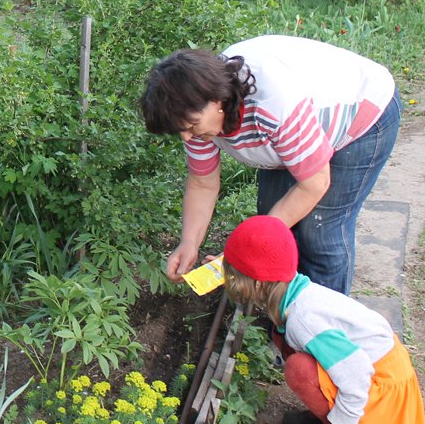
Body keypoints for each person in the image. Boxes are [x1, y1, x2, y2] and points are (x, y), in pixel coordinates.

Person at [140, 35, 403, 294]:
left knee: (318, 232)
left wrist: (247, 249)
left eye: (191, 126)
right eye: (180, 130)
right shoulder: (194, 119)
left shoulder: (273, 105)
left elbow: (314, 183)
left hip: (360, 115)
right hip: (294, 134)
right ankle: (285, 315)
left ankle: (324, 326)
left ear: (217, 101)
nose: (186, 136)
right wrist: (189, 243)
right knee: (272, 220)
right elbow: (202, 183)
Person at [222, 215, 425, 424]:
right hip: (373, 372)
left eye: (236, 278)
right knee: (282, 339)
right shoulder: (297, 292)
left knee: (299, 369)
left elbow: (357, 373)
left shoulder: (304, 320)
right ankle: (331, 411)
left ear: (256, 285)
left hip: (382, 393)